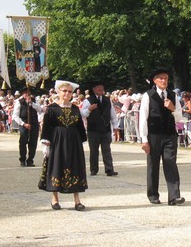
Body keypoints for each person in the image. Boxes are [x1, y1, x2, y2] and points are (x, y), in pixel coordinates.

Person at [139, 68, 185, 206]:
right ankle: (153, 194)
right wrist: (144, 139)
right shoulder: (148, 95)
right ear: (155, 80)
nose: (164, 80)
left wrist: (173, 108)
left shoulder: (172, 95)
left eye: (165, 78)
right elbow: (143, 118)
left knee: (170, 162)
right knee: (153, 164)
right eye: (161, 78)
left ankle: (174, 196)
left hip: (170, 134)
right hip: (154, 134)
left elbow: (179, 117)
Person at [39, 83, 87, 211]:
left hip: (73, 141)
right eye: (64, 91)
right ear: (58, 92)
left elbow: (80, 126)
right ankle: (55, 198)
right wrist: (46, 143)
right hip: (57, 140)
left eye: (70, 92)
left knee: (75, 166)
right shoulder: (52, 108)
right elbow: (46, 127)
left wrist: (82, 140)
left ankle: (77, 201)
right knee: (57, 166)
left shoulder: (75, 108)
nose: (67, 94)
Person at [80, 80, 119, 176]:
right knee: (94, 150)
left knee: (107, 150)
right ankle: (94, 169)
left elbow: (112, 114)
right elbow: (83, 114)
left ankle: (109, 169)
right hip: (93, 130)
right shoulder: (88, 101)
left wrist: (115, 126)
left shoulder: (107, 100)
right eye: (98, 87)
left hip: (105, 129)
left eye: (102, 87)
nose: (100, 89)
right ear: (93, 89)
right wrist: (89, 109)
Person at [12, 87, 42, 167]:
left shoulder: (34, 101)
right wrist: (23, 124)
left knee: (33, 142)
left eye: (28, 93)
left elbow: (40, 110)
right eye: (25, 93)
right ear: (22, 94)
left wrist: (32, 103)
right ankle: (22, 159)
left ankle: (30, 160)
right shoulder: (19, 102)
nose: (27, 94)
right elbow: (15, 116)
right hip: (24, 124)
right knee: (23, 142)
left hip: (34, 124)